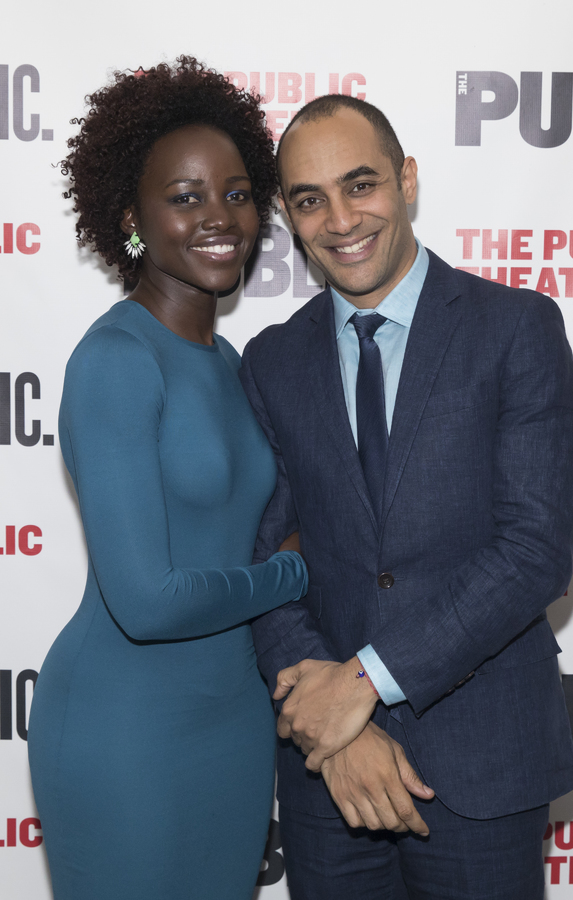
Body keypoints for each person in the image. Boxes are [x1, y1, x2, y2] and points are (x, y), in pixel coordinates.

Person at [239, 94, 573, 900]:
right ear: (290, 216)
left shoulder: (517, 328)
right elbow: (267, 560)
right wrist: (337, 730)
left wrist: (361, 684)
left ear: (407, 181)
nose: (340, 219)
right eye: (309, 199)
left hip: (482, 766)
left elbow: (533, 554)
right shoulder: (271, 360)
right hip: (328, 775)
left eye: (360, 185)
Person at [27, 57, 308, 900]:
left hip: (233, 724)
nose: (217, 217)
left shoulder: (232, 363)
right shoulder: (116, 360)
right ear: (132, 221)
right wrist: (294, 570)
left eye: (234, 193)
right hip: (126, 731)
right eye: (183, 198)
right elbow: (147, 601)